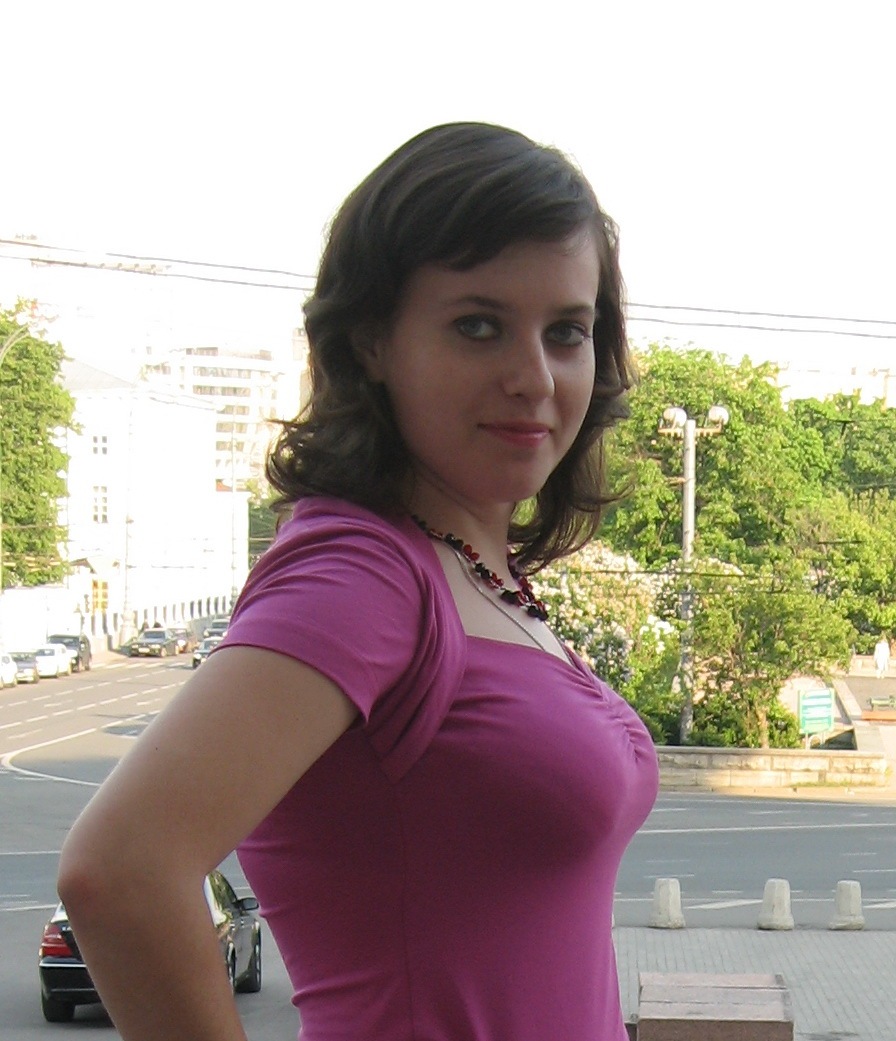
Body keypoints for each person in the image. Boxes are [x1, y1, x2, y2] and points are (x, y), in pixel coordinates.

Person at [57, 122, 659, 1041]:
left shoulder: (471, 570)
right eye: (478, 325)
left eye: (566, 332)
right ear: (374, 339)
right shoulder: (363, 574)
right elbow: (121, 871)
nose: (533, 377)